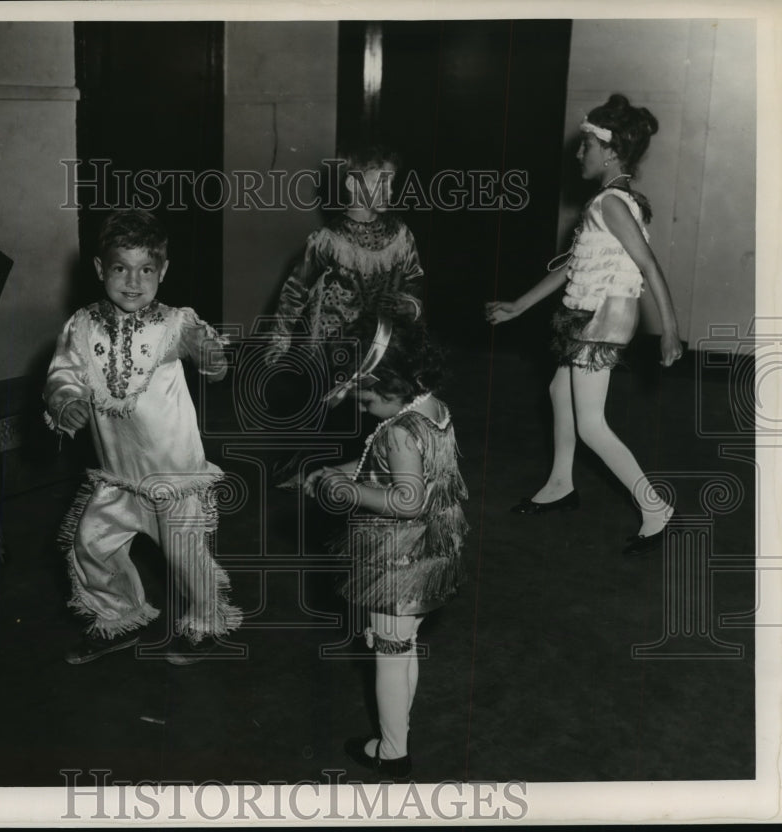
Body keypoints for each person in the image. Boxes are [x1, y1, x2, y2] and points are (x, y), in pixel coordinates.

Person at [485, 94, 683, 556]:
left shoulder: (612, 203)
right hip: (590, 311)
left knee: (592, 423)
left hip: (606, 315)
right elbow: (572, 265)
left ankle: (654, 508)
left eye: (586, 146)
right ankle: (559, 483)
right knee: (560, 391)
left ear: (610, 151)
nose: (579, 154)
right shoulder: (608, 201)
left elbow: (649, 266)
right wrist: (519, 305)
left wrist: (671, 329)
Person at [44, 208, 242, 665]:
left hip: (172, 476)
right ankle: (120, 615)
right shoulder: (81, 326)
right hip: (116, 474)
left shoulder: (174, 324)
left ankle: (206, 621)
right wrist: (67, 400)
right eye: (120, 268)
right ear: (99, 269)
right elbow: (64, 375)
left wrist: (211, 357)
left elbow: (206, 353)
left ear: (163, 271)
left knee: (185, 556)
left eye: (146, 270)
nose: (133, 282)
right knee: (91, 545)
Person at [303, 317, 468, 781]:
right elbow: (389, 467)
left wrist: (349, 492)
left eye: (368, 398)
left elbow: (408, 499)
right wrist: (339, 469)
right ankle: (400, 733)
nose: (361, 407)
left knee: (389, 654)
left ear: (392, 384)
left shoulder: (397, 430)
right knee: (402, 647)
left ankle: (392, 751)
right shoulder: (431, 408)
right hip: (428, 553)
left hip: (398, 560)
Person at [265, 143, 426, 484]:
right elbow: (295, 290)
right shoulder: (327, 239)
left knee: (376, 409)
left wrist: (408, 304)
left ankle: (371, 467)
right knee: (329, 411)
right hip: (331, 344)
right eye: (381, 182)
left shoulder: (400, 234)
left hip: (380, 343)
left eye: (392, 183)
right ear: (353, 185)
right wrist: (280, 339)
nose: (390, 191)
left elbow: (414, 279)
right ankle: (308, 471)